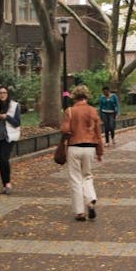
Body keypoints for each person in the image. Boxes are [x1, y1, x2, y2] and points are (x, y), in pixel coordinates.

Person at [61, 85, 104, 221]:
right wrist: (100, 151)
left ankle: (79, 211)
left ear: (74, 96)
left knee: (75, 178)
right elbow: (98, 133)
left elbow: (65, 130)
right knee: (87, 176)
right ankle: (90, 200)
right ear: (87, 96)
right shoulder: (93, 111)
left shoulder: (70, 111)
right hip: (90, 147)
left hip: (74, 146)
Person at [0, 85, 21, 194]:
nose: (2, 95)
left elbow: (17, 123)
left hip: (9, 137)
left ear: (8, 94)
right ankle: (5, 185)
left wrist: (7, 117)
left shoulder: (14, 106)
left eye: (4, 93)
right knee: (0, 161)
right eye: (0, 93)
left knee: (4, 158)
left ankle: (8, 183)